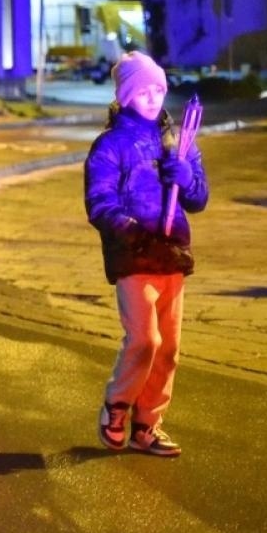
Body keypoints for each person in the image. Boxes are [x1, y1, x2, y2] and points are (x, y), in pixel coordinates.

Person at [86, 52, 207, 458]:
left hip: (172, 253)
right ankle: (117, 406)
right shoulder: (111, 145)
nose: (153, 98)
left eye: (159, 89)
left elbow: (199, 198)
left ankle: (148, 424)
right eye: (143, 90)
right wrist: (130, 230)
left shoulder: (178, 141)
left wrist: (187, 179)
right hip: (134, 255)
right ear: (125, 95)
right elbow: (100, 201)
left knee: (169, 347)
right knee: (144, 339)